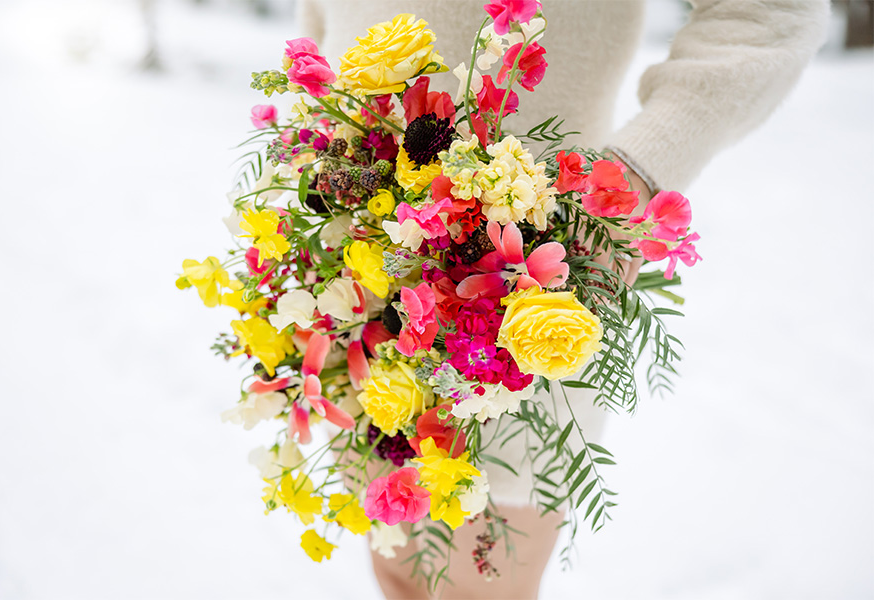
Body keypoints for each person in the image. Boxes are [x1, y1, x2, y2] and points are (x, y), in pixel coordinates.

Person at [297, 1, 828, 598]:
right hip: (357, 269)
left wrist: (636, 168)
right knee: (398, 573)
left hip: (524, 299)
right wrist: (313, 135)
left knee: (477, 586)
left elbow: (769, 15)